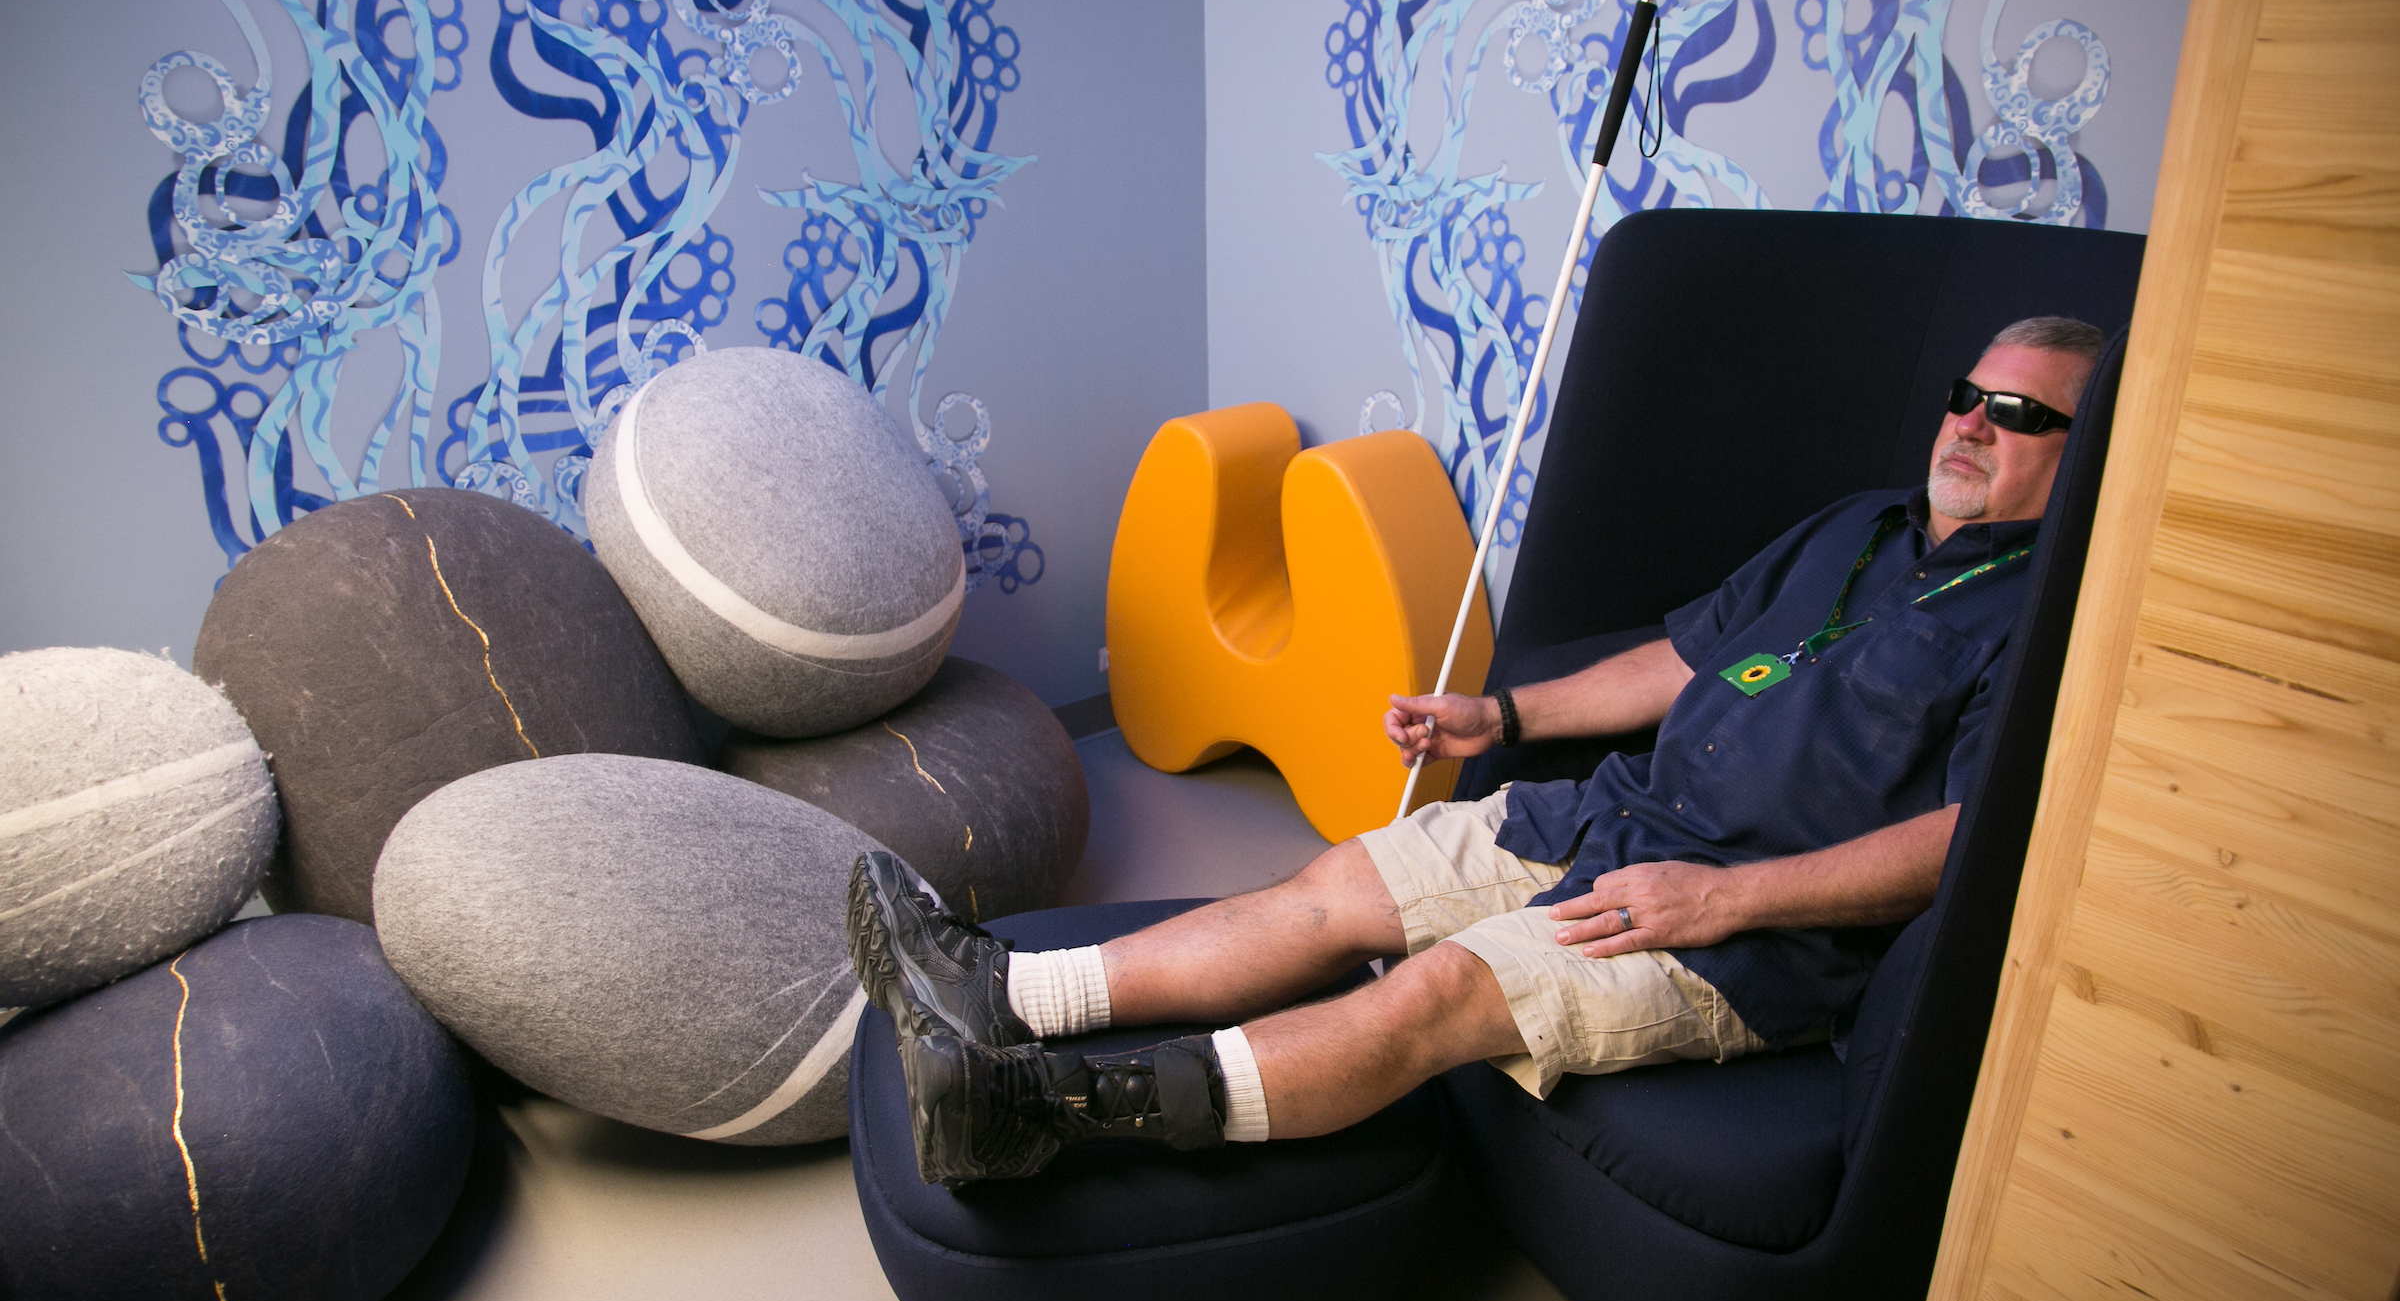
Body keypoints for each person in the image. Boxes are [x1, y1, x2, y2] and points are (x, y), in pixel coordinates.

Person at [847, 315, 2106, 1188]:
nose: (1970, 427)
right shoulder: (1856, 527)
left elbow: (1970, 837)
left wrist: (1723, 897)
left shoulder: (2045, 621)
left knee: (1436, 993)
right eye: (1964, 396)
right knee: (1336, 882)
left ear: (2087, 446)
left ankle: (1041, 1119)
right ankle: (1005, 997)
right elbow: (1682, 657)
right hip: (1615, 818)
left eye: (2018, 412)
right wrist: (1500, 719)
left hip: (1740, 922)